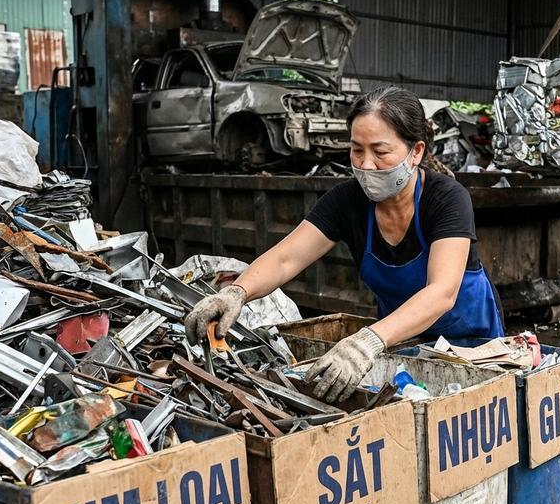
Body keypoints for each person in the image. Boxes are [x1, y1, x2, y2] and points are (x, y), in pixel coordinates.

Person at [185, 85, 504, 399]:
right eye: (356, 150)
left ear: (415, 152)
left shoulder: (447, 199)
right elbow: (286, 259)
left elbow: (441, 293)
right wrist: (236, 292)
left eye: (380, 152)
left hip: (474, 349)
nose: (365, 165)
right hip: (402, 344)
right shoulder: (347, 201)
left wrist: (368, 342)